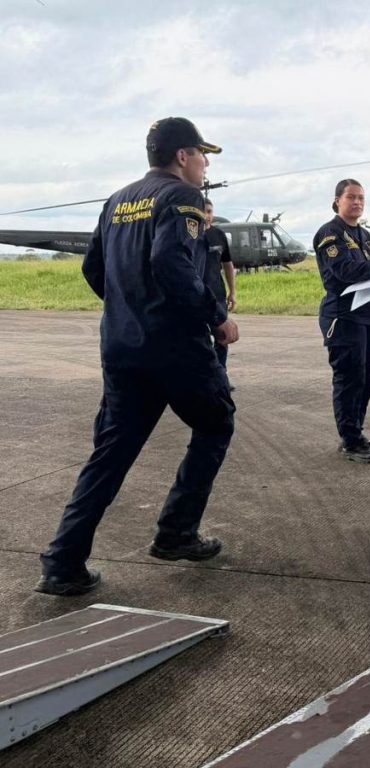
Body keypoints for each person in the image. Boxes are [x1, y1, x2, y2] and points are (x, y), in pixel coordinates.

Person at [36, 117, 238, 596]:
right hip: (176, 350)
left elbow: (93, 268)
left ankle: (63, 563)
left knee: (111, 452)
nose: (206, 164)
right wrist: (216, 317)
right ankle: (175, 534)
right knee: (215, 424)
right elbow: (172, 263)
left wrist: (129, 307)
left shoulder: (118, 200)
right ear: (183, 156)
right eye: (202, 155)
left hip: (123, 348)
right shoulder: (183, 197)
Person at [313, 179, 370, 464]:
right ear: (337, 201)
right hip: (344, 317)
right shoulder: (329, 234)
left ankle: (356, 433)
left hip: (369, 316)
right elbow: (346, 271)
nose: (357, 202)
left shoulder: (366, 236)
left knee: (367, 378)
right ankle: (350, 440)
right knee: (349, 378)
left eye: (361, 198)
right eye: (351, 197)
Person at [204, 198, 237, 375]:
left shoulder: (219, 235)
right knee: (201, 341)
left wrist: (232, 292)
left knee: (222, 339)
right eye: (204, 211)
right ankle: (206, 377)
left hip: (218, 296)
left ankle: (221, 375)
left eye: (210, 211)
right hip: (198, 297)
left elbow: (228, 264)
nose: (207, 216)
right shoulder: (191, 236)